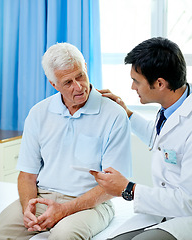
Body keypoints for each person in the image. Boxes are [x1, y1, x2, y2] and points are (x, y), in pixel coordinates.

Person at [0, 42, 132, 240]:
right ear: (54, 84)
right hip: (42, 197)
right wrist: (29, 207)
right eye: (67, 82)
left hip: (91, 205)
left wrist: (63, 210)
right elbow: (27, 175)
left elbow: (113, 186)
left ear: (86, 67)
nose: (78, 87)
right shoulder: (38, 113)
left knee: (63, 236)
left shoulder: (114, 115)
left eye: (80, 75)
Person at [91, 37, 192, 240]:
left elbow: (188, 201)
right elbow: (161, 142)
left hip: (187, 214)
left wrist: (129, 188)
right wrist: (127, 113)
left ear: (160, 83)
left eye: (136, 81)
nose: (132, 87)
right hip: (162, 209)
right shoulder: (171, 108)